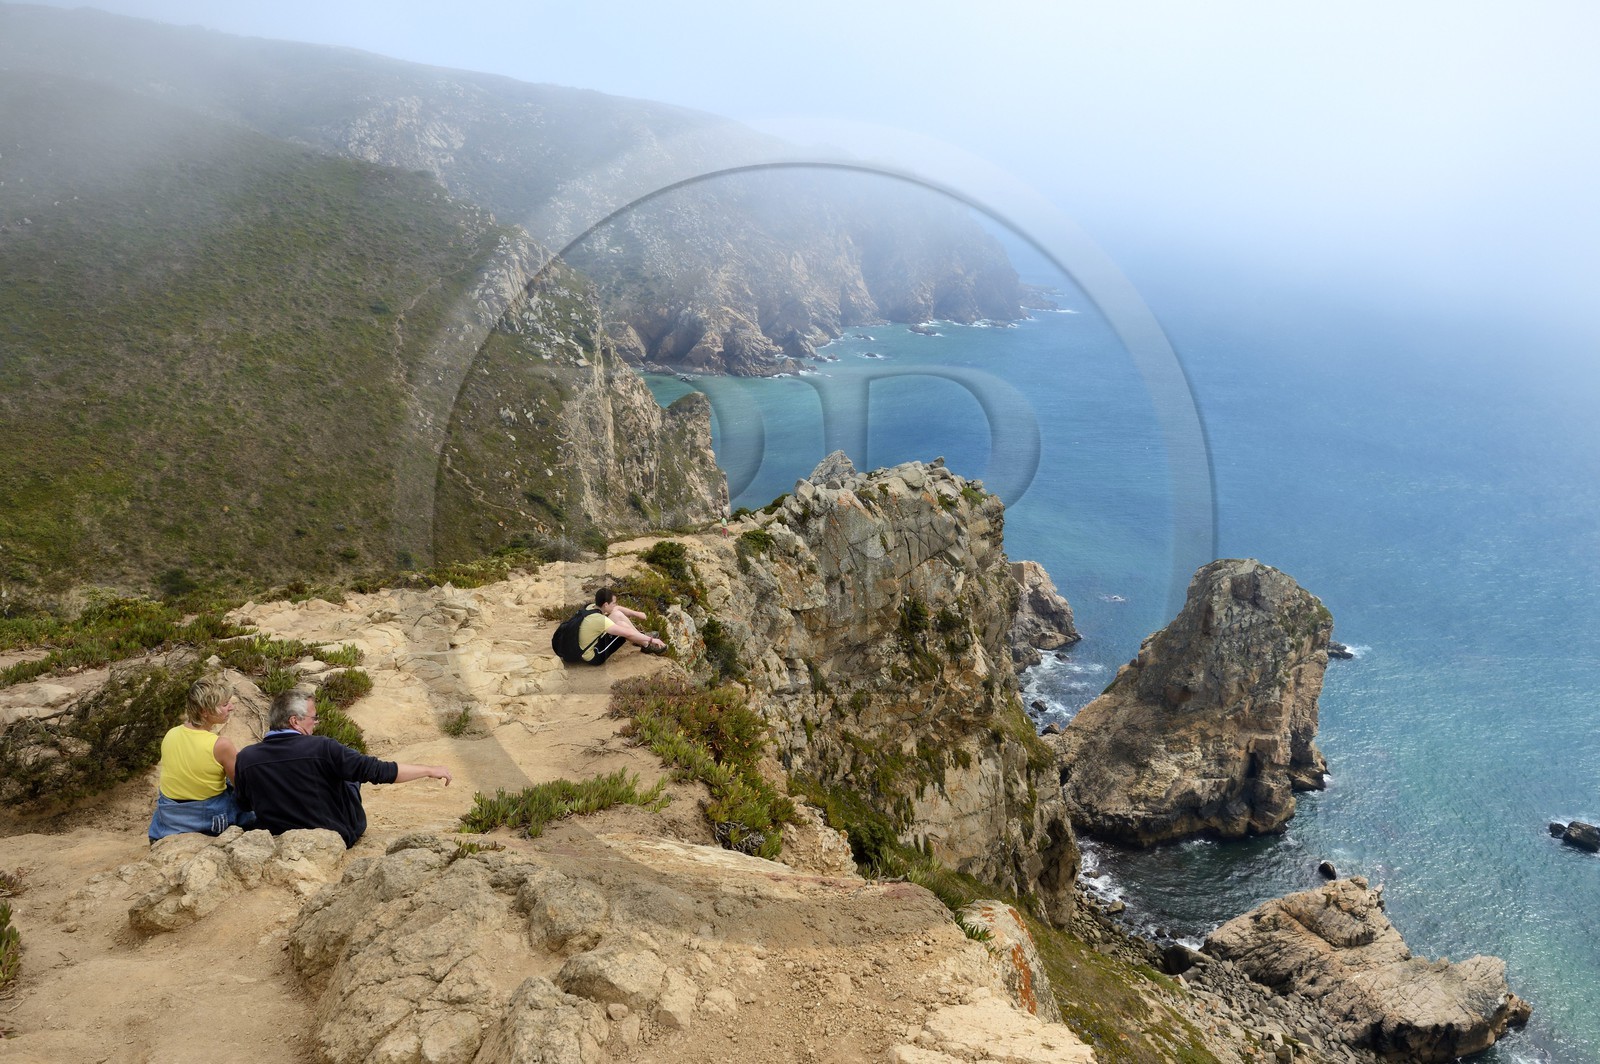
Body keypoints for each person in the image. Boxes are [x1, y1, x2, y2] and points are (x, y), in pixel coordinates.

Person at [234, 690, 452, 848]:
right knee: (348, 777)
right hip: (335, 835)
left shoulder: (245, 757)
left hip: (277, 837)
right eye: (313, 717)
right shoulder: (323, 748)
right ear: (294, 721)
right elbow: (379, 771)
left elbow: (244, 804)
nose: (316, 722)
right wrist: (429, 770)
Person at [148, 674, 253, 842]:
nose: (231, 707)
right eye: (225, 704)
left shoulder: (171, 734)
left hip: (170, 816)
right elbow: (241, 788)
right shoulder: (220, 745)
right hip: (206, 815)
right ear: (205, 711)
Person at [578, 587, 667, 664]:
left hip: (589, 642)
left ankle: (641, 638)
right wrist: (652, 639)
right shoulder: (601, 620)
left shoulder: (591, 607)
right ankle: (646, 644)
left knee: (617, 614)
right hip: (593, 656)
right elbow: (628, 634)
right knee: (622, 627)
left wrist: (637, 614)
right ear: (605, 604)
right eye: (613, 603)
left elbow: (617, 609)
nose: (615, 605)